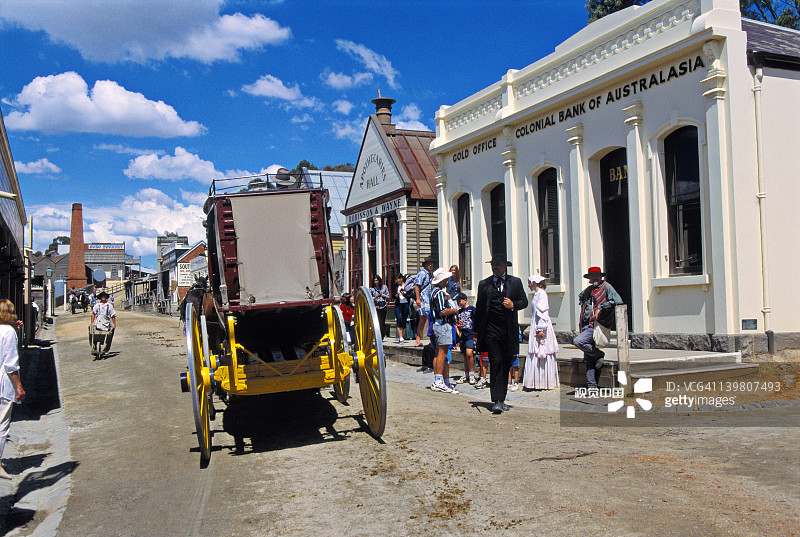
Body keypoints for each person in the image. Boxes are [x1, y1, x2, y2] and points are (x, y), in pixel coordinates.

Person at [474, 254, 528, 414]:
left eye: (497, 264)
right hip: (491, 330)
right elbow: (479, 308)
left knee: (506, 363)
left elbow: (524, 301)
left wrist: (513, 305)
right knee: (496, 361)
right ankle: (496, 400)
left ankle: (502, 399)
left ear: (505, 265)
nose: (494, 267)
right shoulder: (484, 284)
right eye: (493, 264)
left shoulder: (515, 282)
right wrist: (476, 333)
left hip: (508, 330)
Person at [573, 266, 622, 389]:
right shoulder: (588, 290)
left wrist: (601, 307)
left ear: (601, 276)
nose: (594, 277)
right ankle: (592, 386)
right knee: (588, 360)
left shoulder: (606, 287)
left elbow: (618, 301)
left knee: (578, 341)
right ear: (589, 278)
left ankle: (599, 354)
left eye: (597, 275)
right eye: (592, 276)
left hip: (596, 326)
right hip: (585, 325)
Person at [0, 300, 25, 479]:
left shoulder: (8, 331)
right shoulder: (8, 332)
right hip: (3, 384)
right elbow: (10, 365)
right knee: (1, 425)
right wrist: (19, 387)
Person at [524, 274, 559, 390]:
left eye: (530, 283)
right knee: (536, 351)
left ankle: (544, 381)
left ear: (534, 283)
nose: (529, 285)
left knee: (542, 351)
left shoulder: (542, 294)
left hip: (540, 325)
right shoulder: (537, 294)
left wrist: (540, 329)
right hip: (536, 323)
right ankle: (537, 381)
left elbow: (542, 312)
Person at [428, 268, 460, 394]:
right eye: (445, 279)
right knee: (442, 353)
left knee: (438, 353)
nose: (447, 281)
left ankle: (437, 379)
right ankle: (439, 381)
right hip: (442, 324)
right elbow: (442, 311)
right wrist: (454, 311)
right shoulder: (440, 293)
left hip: (436, 324)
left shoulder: (433, 292)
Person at [454, 293, 477, 385]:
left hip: (470, 334)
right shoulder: (458, 312)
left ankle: (472, 373)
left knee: (469, 353)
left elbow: (476, 321)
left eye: (459, 301)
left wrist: (476, 335)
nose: (458, 303)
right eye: (457, 301)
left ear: (465, 300)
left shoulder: (472, 309)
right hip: (463, 335)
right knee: (464, 355)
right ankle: (466, 373)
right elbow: (457, 324)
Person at [413, 257, 435, 347]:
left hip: (428, 299)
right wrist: (418, 298)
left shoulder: (430, 274)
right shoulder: (422, 273)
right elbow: (417, 286)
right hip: (423, 298)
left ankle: (430, 339)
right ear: (425, 265)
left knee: (427, 318)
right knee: (424, 318)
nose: (430, 265)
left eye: (431, 264)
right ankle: (418, 339)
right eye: (428, 264)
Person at [91, 290, 117, 354]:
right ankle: (94, 347)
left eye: (104, 296)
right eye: (102, 296)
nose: (103, 297)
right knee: (92, 334)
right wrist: (92, 322)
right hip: (98, 323)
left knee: (109, 335)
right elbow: (93, 314)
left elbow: (113, 315)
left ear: (106, 297)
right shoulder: (97, 305)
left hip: (106, 323)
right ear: (100, 298)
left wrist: (114, 323)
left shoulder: (109, 306)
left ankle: (106, 349)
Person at [393, 274, 409, 343]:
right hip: (398, 304)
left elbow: (409, 296)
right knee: (398, 319)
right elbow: (393, 296)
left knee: (404, 319)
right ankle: (400, 337)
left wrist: (404, 294)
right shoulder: (396, 287)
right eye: (396, 279)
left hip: (405, 304)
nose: (397, 281)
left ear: (401, 279)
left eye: (398, 279)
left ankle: (402, 336)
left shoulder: (406, 286)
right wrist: (396, 295)